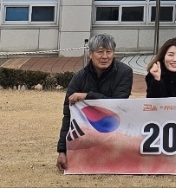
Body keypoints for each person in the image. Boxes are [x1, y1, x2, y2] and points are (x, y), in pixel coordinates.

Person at [57, 33, 134, 171]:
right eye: (100, 52)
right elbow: (68, 115)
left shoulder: (125, 72)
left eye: (109, 52)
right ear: (90, 54)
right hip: (88, 138)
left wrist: (88, 96)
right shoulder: (79, 78)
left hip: (116, 135)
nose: (105, 56)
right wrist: (62, 151)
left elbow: (118, 105)